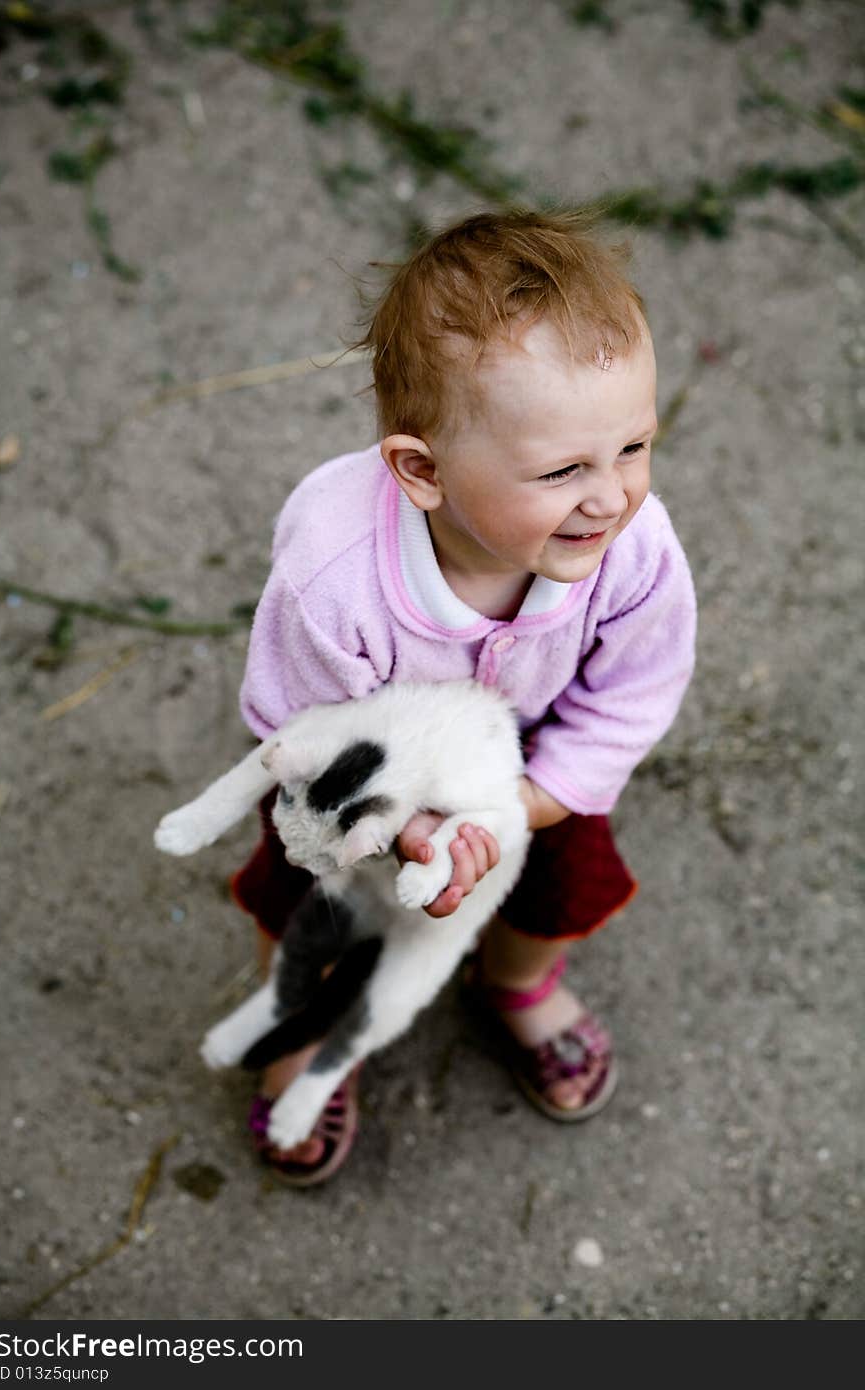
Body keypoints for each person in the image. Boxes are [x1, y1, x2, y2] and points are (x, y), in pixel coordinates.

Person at [231, 208, 696, 1185]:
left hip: (534, 774)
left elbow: (634, 690)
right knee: (320, 908)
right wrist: (401, 828)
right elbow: (304, 737)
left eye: (632, 447)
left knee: (554, 890)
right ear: (423, 469)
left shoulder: (631, 555)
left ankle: (516, 981)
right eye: (564, 468)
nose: (610, 496)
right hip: (364, 798)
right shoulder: (334, 579)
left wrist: (526, 804)